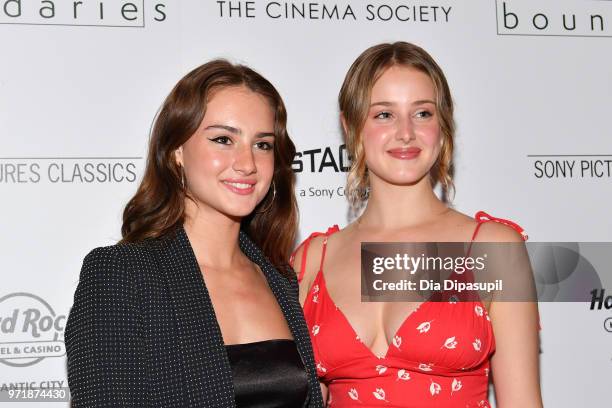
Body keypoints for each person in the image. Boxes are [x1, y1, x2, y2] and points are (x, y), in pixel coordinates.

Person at [292, 42, 542, 407]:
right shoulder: (313, 259)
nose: (405, 132)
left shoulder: (492, 249)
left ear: (443, 125)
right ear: (350, 126)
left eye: (422, 113)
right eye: (383, 115)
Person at [65, 59, 323, 407]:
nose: (247, 163)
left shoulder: (279, 278)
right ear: (176, 151)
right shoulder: (122, 274)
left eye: (262, 144)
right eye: (223, 139)